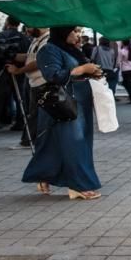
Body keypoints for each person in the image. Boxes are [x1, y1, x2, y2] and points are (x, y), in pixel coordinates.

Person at [22, 26, 103, 200]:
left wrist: (92, 72)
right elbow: (53, 75)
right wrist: (82, 69)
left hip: (79, 101)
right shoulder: (48, 50)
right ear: (63, 32)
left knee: (53, 142)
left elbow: (76, 72)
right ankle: (79, 185)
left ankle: (44, 175)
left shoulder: (71, 50)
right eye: (74, 31)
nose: (78, 35)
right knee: (75, 142)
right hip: (63, 104)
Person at [6, 27, 49, 149]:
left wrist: (19, 70)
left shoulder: (47, 40)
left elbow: (38, 61)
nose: (27, 30)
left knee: (35, 114)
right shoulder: (37, 39)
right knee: (33, 113)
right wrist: (13, 56)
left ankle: (28, 141)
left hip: (42, 82)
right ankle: (30, 140)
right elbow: (30, 57)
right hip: (33, 82)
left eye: (29, 27)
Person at [118, 39, 131, 104]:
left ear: (123, 43)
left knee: (128, 85)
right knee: (128, 84)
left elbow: (119, 61)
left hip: (125, 70)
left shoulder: (122, 51)